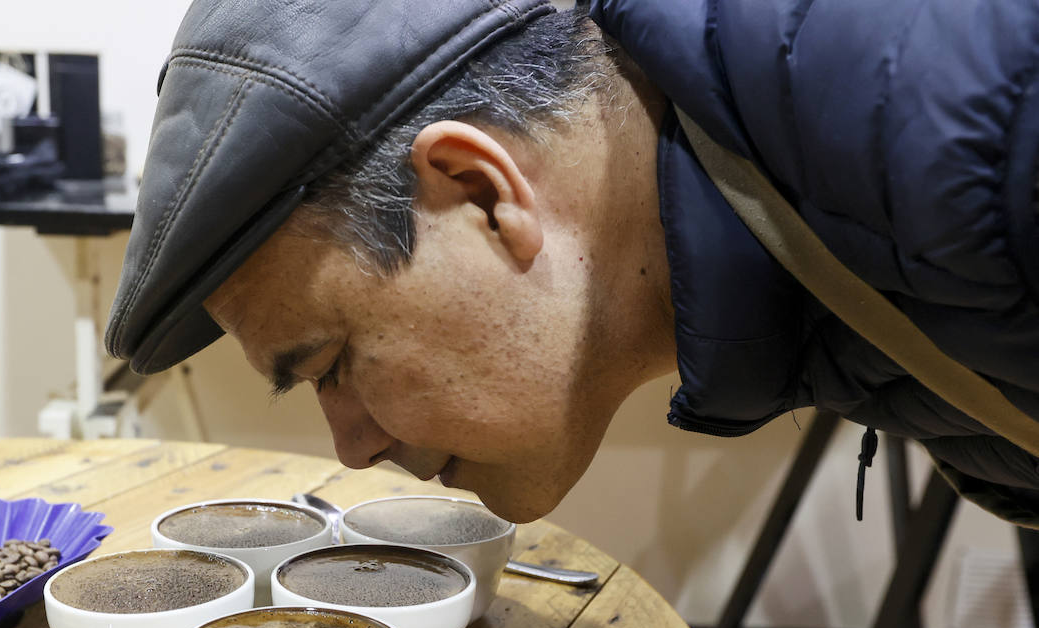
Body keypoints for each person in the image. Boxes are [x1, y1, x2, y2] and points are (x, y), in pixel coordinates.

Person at [105, 0, 1039, 525]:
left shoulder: (975, 140)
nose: (353, 447)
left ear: (479, 192)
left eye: (332, 367)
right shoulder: (829, 178)